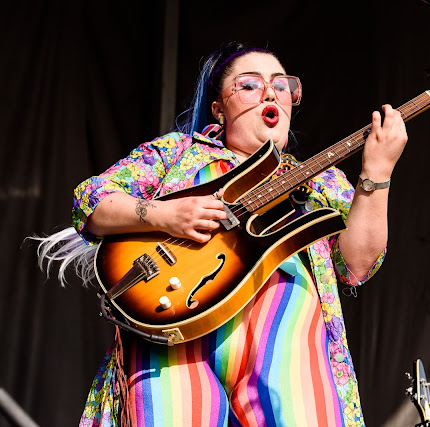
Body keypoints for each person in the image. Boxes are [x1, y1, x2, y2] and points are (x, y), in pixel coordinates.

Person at [42, 42, 407, 426]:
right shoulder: (178, 152)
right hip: (173, 330)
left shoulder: (322, 180)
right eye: (249, 85)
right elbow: (91, 201)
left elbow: (357, 265)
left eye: (282, 85)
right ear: (219, 108)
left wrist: (378, 173)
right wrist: (165, 214)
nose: (270, 92)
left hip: (286, 340)